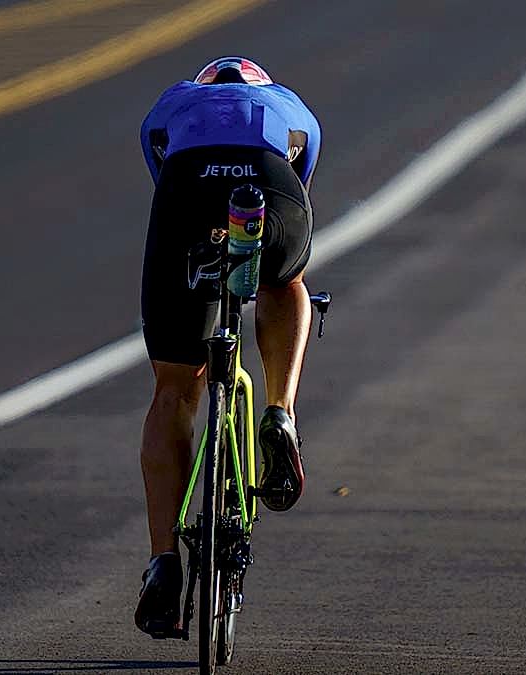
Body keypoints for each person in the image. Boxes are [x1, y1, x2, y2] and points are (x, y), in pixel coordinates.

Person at [134, 56, 322, 637]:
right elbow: (304, 166)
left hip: (185, 192)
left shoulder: (178, 98)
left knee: (173, 388)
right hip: (270, 183)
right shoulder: (287, 101)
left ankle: (163, 560)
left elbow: (156, 162)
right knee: (286, 280)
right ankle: (279, 412)